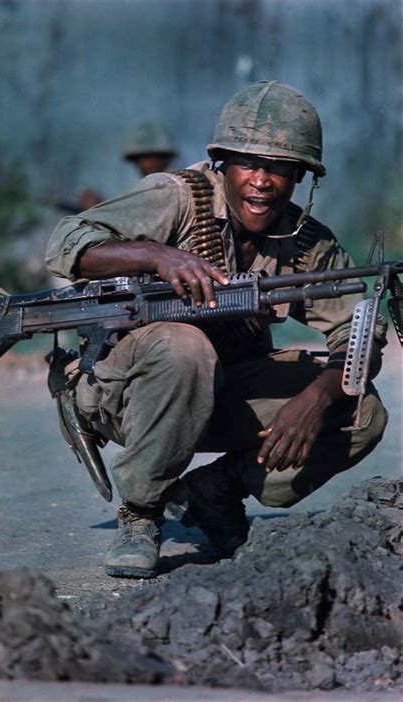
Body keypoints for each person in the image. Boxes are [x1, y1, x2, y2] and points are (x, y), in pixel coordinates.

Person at [45, 81, 388, 579]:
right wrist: (157, 254)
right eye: (248, 163)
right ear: (224, 162)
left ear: (300, 176)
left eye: (279, 168)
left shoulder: (304, 241)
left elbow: (359, 334)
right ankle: (141, 511)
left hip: (213, 392)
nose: (262, 181)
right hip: (126, 393)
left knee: (361, 408)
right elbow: (65, 242)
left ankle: (216, 489)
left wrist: (316, 397)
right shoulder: (177, 198)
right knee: (186, 347)